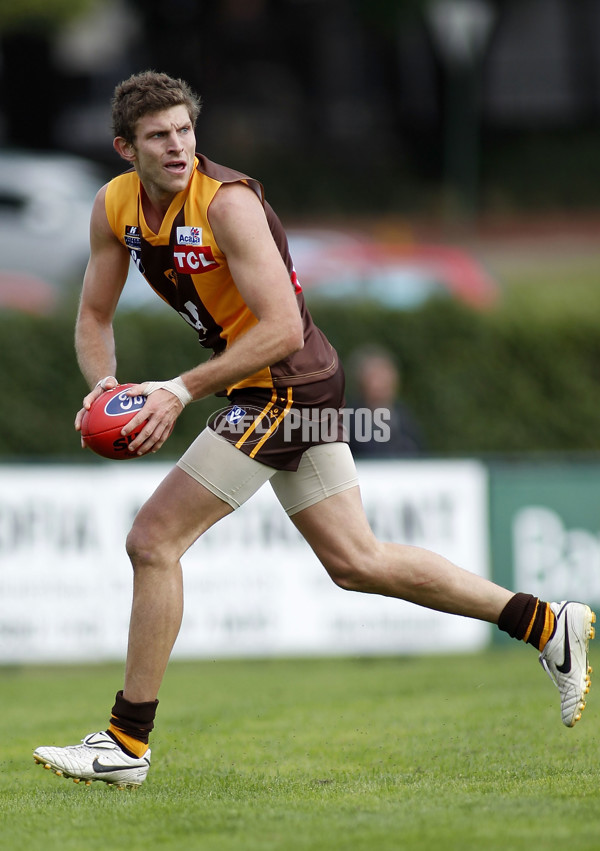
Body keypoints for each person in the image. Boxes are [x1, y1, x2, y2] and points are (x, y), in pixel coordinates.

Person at [33, 71, 595, 789]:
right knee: (357, 560)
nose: (177, 147)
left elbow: (281, 328)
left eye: (184, 131)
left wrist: (177, 390)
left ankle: (125, 742)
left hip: (285, 382)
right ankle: (547, 623)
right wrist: (104, 386)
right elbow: (93, 317)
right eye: (157, 136)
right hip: (285, 381)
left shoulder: (228, 205)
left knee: (153, 539)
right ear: (125, 148)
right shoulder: (114, 207)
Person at [347, 344, 424, 458]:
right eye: (375, 377)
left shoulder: (403, 416)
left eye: (385, 376)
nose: (382, 383)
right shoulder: (350, 420)